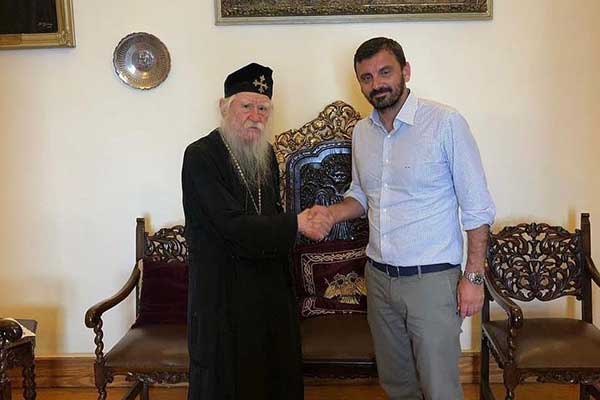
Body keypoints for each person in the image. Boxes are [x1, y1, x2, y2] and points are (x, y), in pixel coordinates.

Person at [317, 37, 496, 400]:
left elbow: (477, 209)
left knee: (440, 388)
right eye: (366, 77)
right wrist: (330, 214)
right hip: (378, 279)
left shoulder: (445, 123)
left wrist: (473, 278)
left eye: (385, 72)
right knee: (397, 384)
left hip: (431, 281)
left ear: (406, 71)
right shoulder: (362, 133)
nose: (376, 84)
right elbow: (361, 194)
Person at [181, 62, 331, 400]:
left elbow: (269, 214)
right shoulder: (201, 156)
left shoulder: (265, 154)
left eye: (263, 108)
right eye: (246, 106)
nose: (255, 116)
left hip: (266, 287)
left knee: (272, 373)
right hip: (224, 291)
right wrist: (297, 223)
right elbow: (229, 223)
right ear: (224, 108)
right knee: (226, 379)